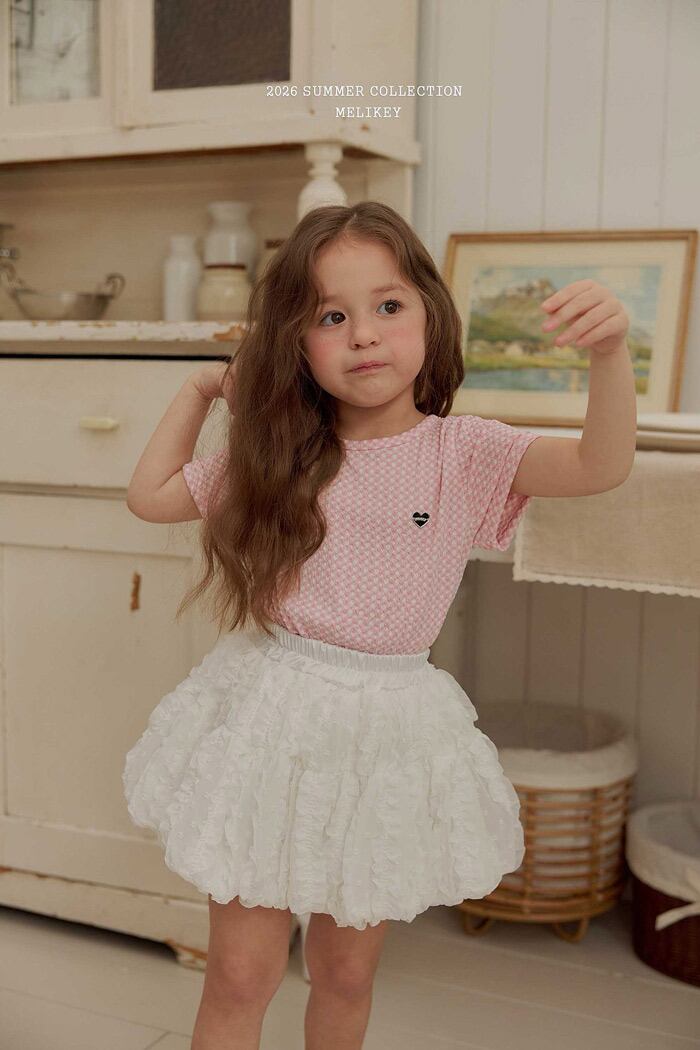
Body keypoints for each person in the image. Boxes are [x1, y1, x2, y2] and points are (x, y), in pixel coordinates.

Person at [122, 201, 637, 1050]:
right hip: (272, 722)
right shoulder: (278, 455)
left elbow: (599, 465)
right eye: (331, 317)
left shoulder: (465, 453)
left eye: (388, 306)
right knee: (240, 976)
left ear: (430, 314)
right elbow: (151, 498)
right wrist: (200, 388)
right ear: (297, 344)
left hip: (386, 733)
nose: (363, 334)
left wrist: (609, 353)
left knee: (346, 974)